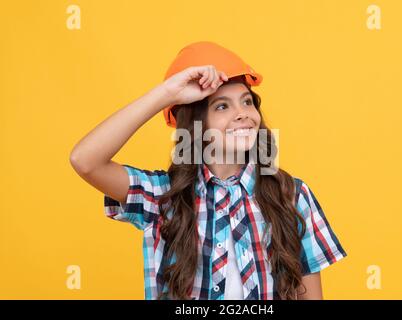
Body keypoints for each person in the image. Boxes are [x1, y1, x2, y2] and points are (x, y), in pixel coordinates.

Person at [69, 41, 347, 300]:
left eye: (247, 101)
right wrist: (167, 94)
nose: (242, 113)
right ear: (196, 126)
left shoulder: (292, 195)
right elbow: (85, 160)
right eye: (222, 106)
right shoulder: (163, 197)